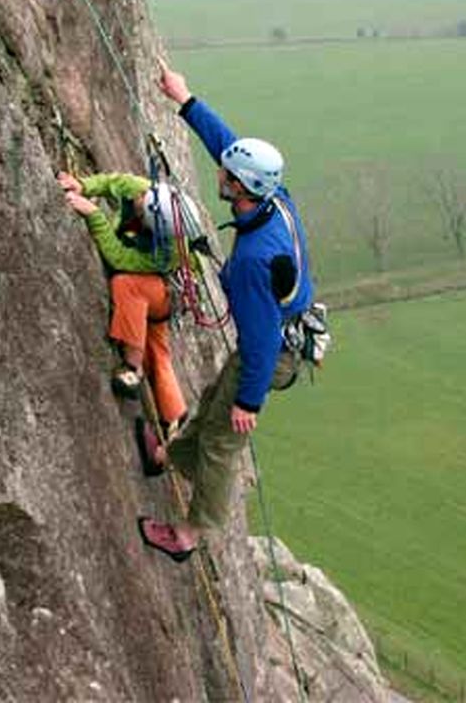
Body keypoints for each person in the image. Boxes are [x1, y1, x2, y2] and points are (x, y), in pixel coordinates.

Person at [137, 61, 314, 563]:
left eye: (226, 175)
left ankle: (189, 536)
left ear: (238, 187)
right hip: (276, 339)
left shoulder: (257, 262)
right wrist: (185, 100)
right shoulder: (271, 196)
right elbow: (229, 145)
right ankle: (167, 456)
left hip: (272, 351)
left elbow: (259, 345)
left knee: (222, 439)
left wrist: (250, 404)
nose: (219, 171)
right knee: (215, 398)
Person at [60, 171, 189, 434]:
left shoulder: (168, 251)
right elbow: (114, 182)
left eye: (142, 207)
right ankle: (175, 418)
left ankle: (132, 366)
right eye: (141, 197)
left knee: (127, 285)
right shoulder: (148, 193)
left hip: (163, 293)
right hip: (160, 292)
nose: (138, 198)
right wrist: (83, 184)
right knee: (159, 353)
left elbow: (119, 259)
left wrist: (94, 215)